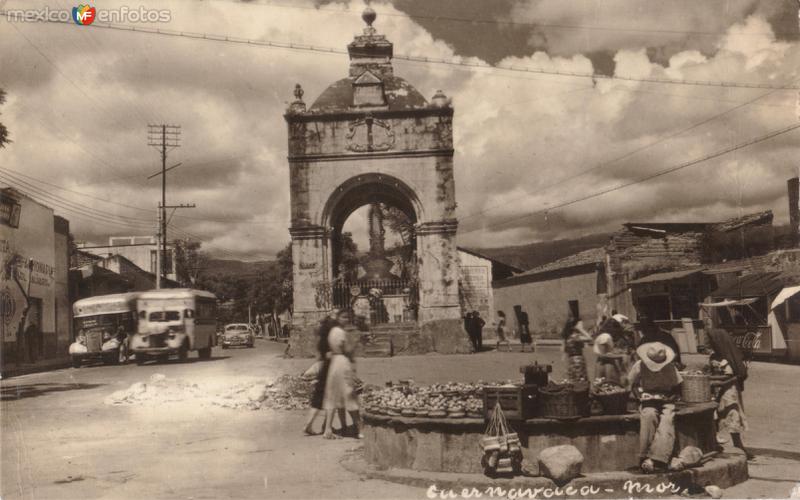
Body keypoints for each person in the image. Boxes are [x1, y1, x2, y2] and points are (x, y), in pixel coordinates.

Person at [628, 340, 683, 473]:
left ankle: (657, 458)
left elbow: (678, 386)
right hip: (647, 400)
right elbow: (631, 383)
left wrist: (671, 397)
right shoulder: (639, 365)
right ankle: (644, 455)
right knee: (648, 415)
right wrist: (638, 395)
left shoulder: (670, 366)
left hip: (666, 400)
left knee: (667, 419)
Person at [707, 329, 753, 460]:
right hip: (717, 389)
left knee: (732, 415)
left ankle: (738, 446)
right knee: (713, 416)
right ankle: (714, 444)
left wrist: (722, 379)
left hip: (729, 391)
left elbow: (739, 375)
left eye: (712, 340)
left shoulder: (731, 356)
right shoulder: (715, 355)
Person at [323, 310, 362, 439]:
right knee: (349, 393)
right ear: (338, 319)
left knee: (334, 395)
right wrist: (356, 342)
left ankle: (333, 427)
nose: (346, 320)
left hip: (334, 363)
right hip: (343, 362)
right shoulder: (341, 333)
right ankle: (359, 428)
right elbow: (348, 350)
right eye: (343, 317)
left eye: (347, 317)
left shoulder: (332, 332)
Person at [303, 315, 338, 435]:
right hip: (331, 368)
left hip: (323, 369)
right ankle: (327, 428)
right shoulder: (331, 339)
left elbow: (320, 355)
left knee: (318, 399)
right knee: (331, 399)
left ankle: (309, 423)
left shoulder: (321, 340)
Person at [562, 312, 592, 383]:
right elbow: (589, 338)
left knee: (574, 380)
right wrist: (581, 329)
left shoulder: (568, 337)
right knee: (580, 381)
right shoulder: (575, 337)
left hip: (571, 360)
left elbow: (565, 351)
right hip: (578, 361)